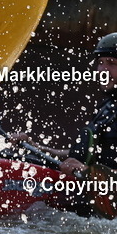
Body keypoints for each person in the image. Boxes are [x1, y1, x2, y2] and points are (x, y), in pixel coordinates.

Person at [10, 33, 117, 175]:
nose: (102, 71)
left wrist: (88, 172)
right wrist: (36, 147)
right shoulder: (108, 107)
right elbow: (81, 156)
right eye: (101, 63)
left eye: (112, 63)